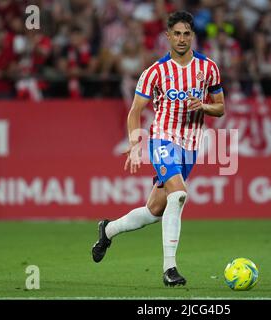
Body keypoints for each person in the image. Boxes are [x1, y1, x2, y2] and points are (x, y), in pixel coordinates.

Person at [91, 11, 225, 287]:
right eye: (176, 33)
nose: (181, 39)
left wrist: (204, 106)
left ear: (192, 36)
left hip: (190, 146)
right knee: (178, 196)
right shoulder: (155, 72)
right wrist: (134, 143)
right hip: (162, 140)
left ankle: (108, 229)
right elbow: (135, 111)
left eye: (186, 33)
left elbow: (221, 108)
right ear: (167, 36)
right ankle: (169, 269)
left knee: (154, 210)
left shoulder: (208, 68)